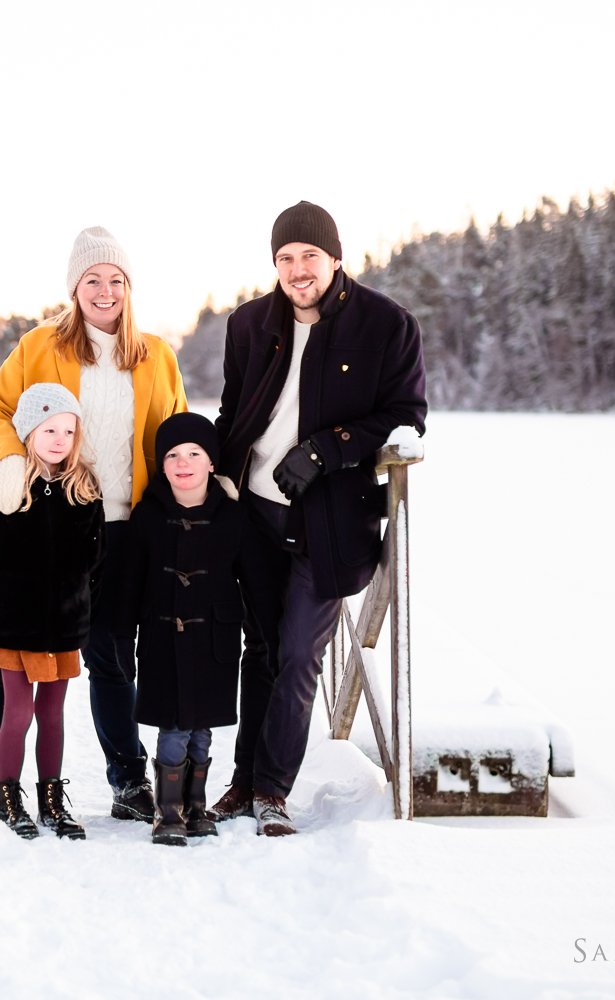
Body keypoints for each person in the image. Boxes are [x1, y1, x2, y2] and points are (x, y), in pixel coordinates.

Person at [0, 226, 188, 822]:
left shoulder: (156, 355)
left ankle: (128, 782)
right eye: (92, 280)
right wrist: (11, 460)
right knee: (5, 655)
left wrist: (202, 482)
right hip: (44, 524)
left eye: (115, 279)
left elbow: (175, 431)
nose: (104, 290)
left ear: (128, 287)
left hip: (121, 527)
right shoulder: (40, 345)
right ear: (74, 287)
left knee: (111, 655)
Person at [214, 201, 427, 836]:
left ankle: (273, 792)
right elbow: (234, 412)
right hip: (253, 509)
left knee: (301, 652)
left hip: (329, 519)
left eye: (310, 255)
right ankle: (243, 782)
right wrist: (215, 480)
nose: (298, 269)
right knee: (262, 649)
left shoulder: (387, 325)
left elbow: (406, 419)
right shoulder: (249, 324)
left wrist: (326, 450)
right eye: (285, 258)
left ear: (336, 257)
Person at [116, 411, 275, 846]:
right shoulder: (148, 516)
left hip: (214, 639)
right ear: (161, 464)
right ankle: (168, 813)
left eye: (194, 453)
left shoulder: (233, 518)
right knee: (173, 727)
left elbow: (256, 580)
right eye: (171, 454)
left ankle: (196, 807)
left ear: (211, 462)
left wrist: (269, 630)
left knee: (200, 727)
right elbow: (130, 582)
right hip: (161, 639)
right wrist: (121, 632)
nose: (182, 462)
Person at [0, 383, 102, 840]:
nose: (59, 439)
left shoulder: (84, 487)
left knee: (52, 712)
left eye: (68, 431)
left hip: (62, 625)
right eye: (49, 429)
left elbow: (96, 559)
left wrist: (82, 604)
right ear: (28, 432)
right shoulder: (7, 484)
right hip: (13, 624)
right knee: (16, 710)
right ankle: (8, 794)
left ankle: (51, 800)